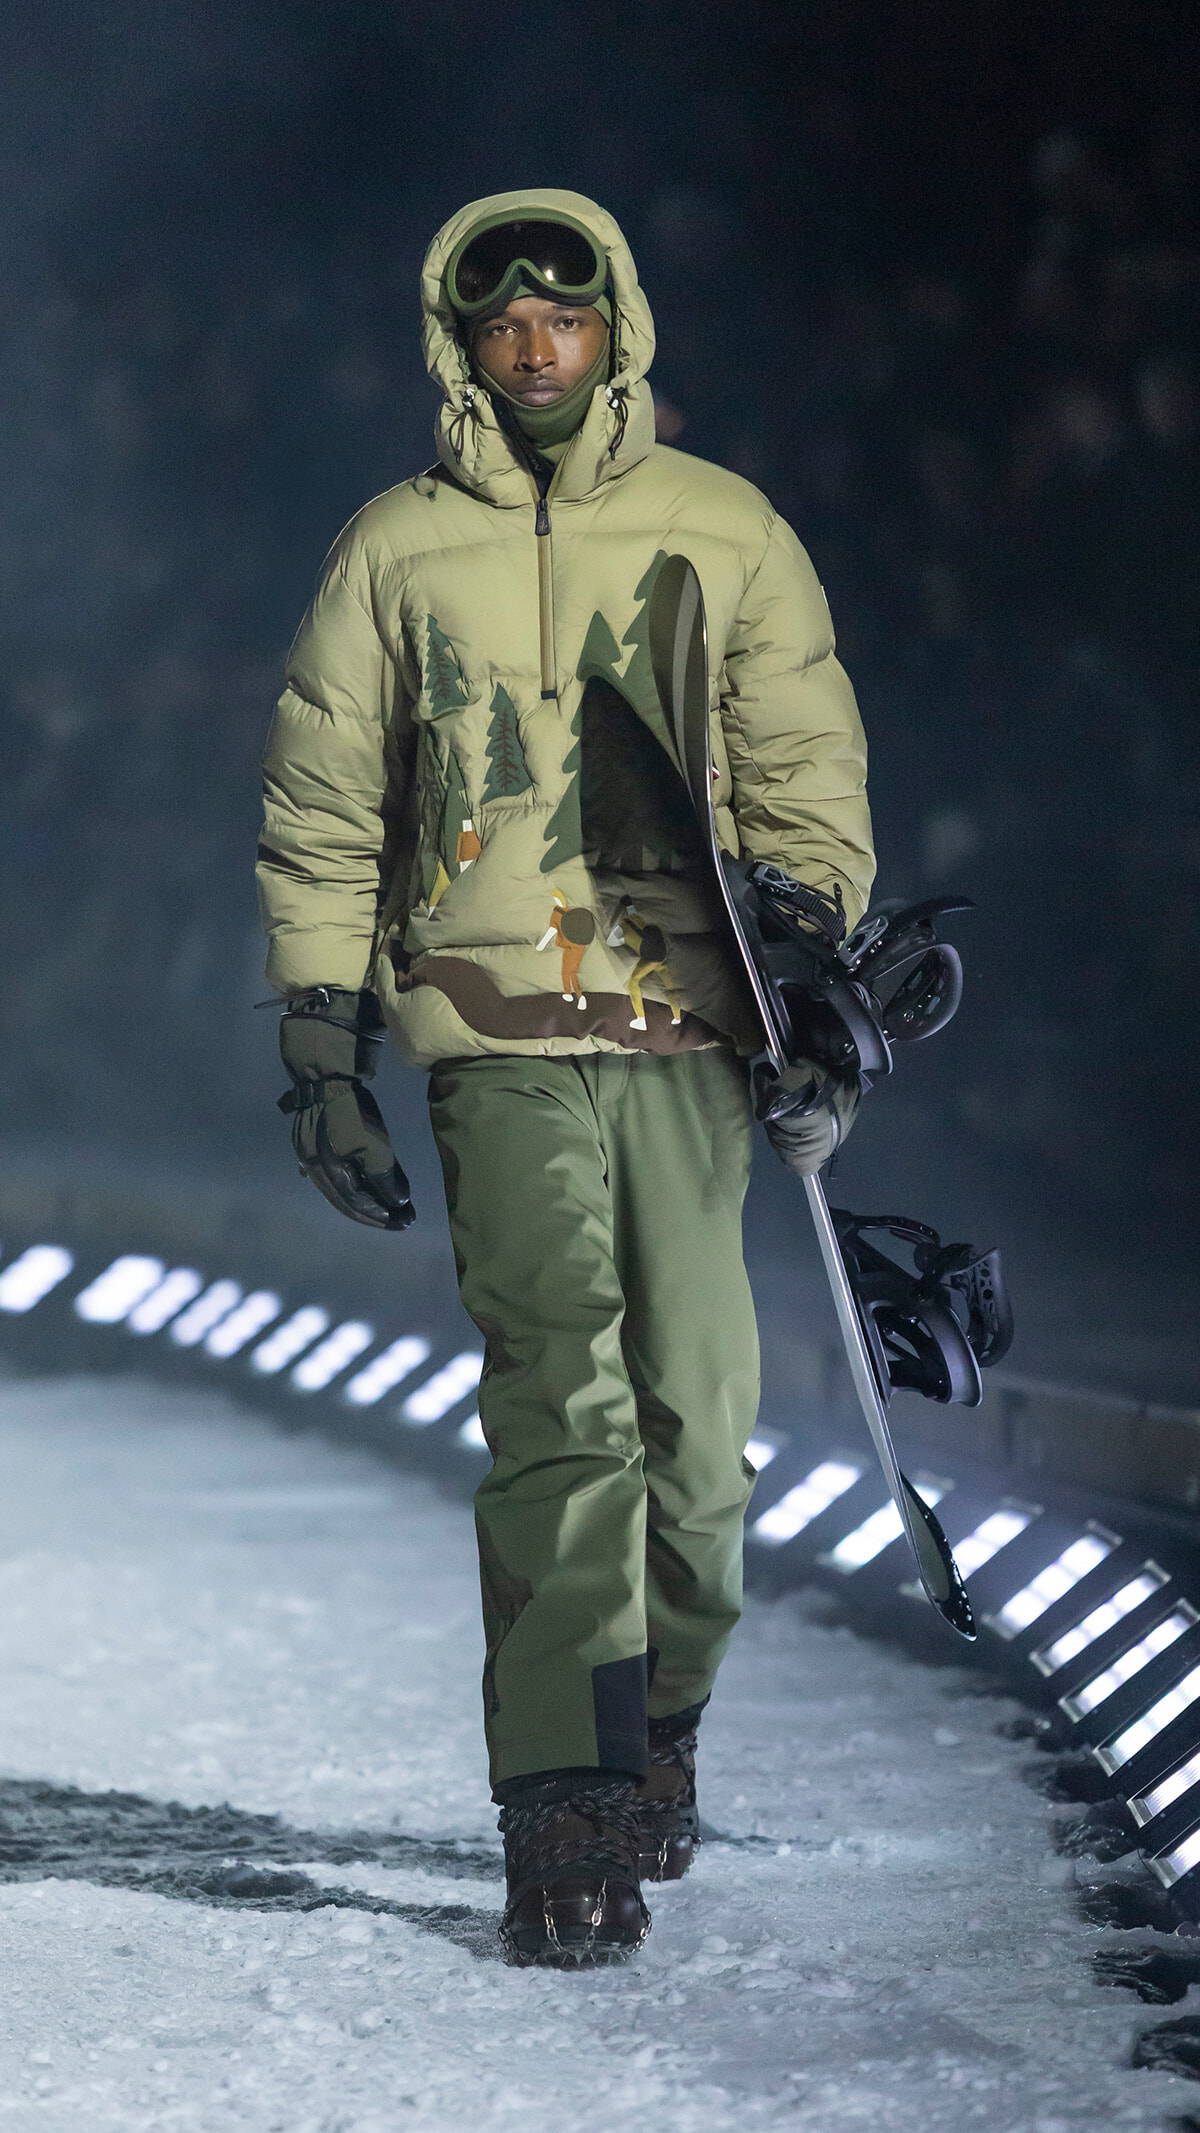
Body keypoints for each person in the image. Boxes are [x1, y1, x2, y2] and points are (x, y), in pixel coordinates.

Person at [258, 188, 875, 1967]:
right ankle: (565, 1807)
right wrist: (322, 1036)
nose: (534, 347)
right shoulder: (391, 545)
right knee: (562, 1410)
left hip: (689, 1025)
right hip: (489, 1026)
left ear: (620, 324)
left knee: (698, 1433)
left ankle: (654, 1723)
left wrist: (816, 983)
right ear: (459, 341)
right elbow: (324, 802)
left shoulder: (727, 530)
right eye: (501, 322)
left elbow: (802, 776)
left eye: (565, 314)